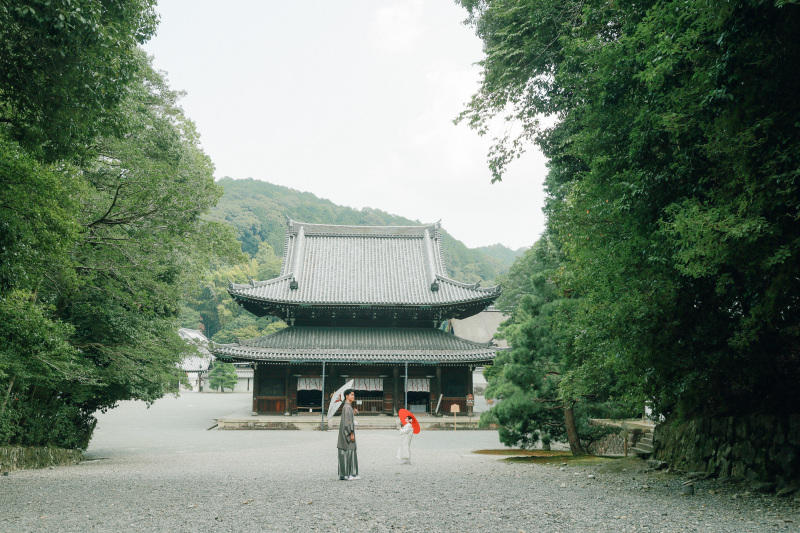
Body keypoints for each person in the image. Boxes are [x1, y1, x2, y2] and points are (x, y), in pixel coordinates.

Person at [337, 389, 360, 480]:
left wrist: (353, 413)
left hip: (344, 433)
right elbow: (347, 423)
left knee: (345, 452)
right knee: (350, 450)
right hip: (347, 433)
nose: (353, 396)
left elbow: (348, 419)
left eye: (353, 395)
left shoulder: (347, 407)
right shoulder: (347, 407)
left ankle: (343, 474)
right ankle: (350, 474)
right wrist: (351, 433)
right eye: (352, 394)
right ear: (347, 396)